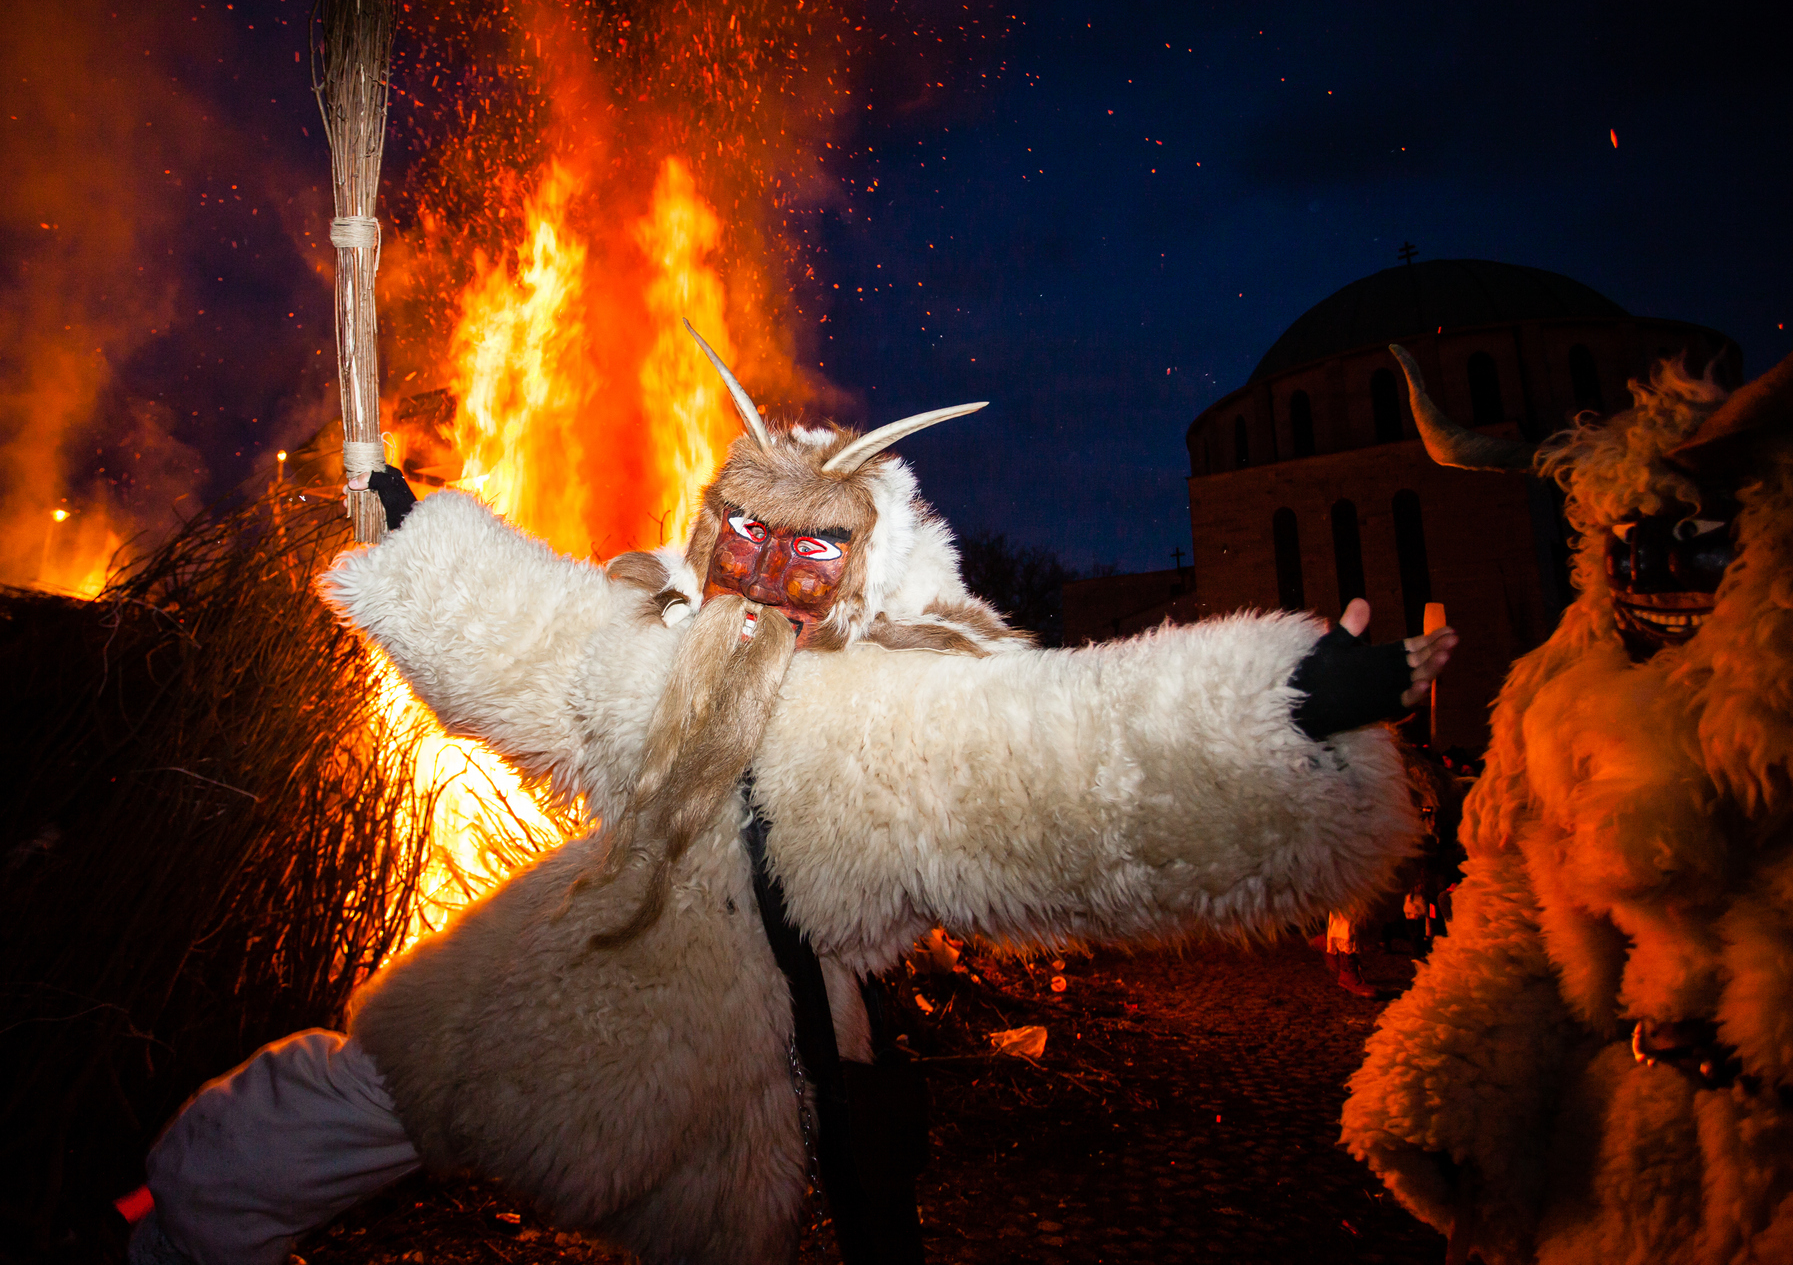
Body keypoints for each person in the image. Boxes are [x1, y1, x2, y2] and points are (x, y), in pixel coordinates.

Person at [134, 326, 1456, 1265]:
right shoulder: (665, 649)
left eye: (809, 544)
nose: (767, 565)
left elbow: (1078, 761)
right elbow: (533, 645)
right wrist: (411, 533)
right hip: (552, 971)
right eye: (746, 533)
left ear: (862, 569)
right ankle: (182, 1230)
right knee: (313, 1110)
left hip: (711, 1043)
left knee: (662, 1189)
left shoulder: (906, 710)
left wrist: (1284, 712)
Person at [1341, 351, 1791, 1265]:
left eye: (1693, 537)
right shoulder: (1561, 719)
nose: (1655, 566)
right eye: (1626, 542)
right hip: (1623, 1149)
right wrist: (1447, 1096)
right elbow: (1520, 927)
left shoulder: (1766, 718)